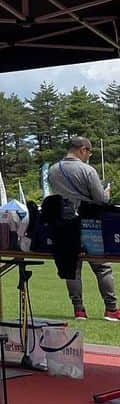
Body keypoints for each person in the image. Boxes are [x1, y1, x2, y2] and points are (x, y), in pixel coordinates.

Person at [47, 137, 119, 321]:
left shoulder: (53, 170)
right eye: (89, 152)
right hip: (89, 224)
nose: (88, 156)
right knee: (102, 267)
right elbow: (101, 200)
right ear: (82, 150)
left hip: (63, 225)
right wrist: (106, 193)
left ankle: (79, 310)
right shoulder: (87, 170)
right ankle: (111, 309)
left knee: (72, 268)